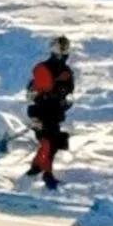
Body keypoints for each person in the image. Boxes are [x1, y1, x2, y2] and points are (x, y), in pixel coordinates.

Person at [25, 35, 75, 189]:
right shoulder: (43, 68)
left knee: (51, 143)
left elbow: (69, 90)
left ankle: (36, 167)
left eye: (65, 48)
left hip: (54, 112)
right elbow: (35, 90)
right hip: (41, 111)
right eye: (61, 48)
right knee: (48, 142)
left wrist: (64, 101)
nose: (63, 52)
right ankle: (46, 174)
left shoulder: (66, 71)